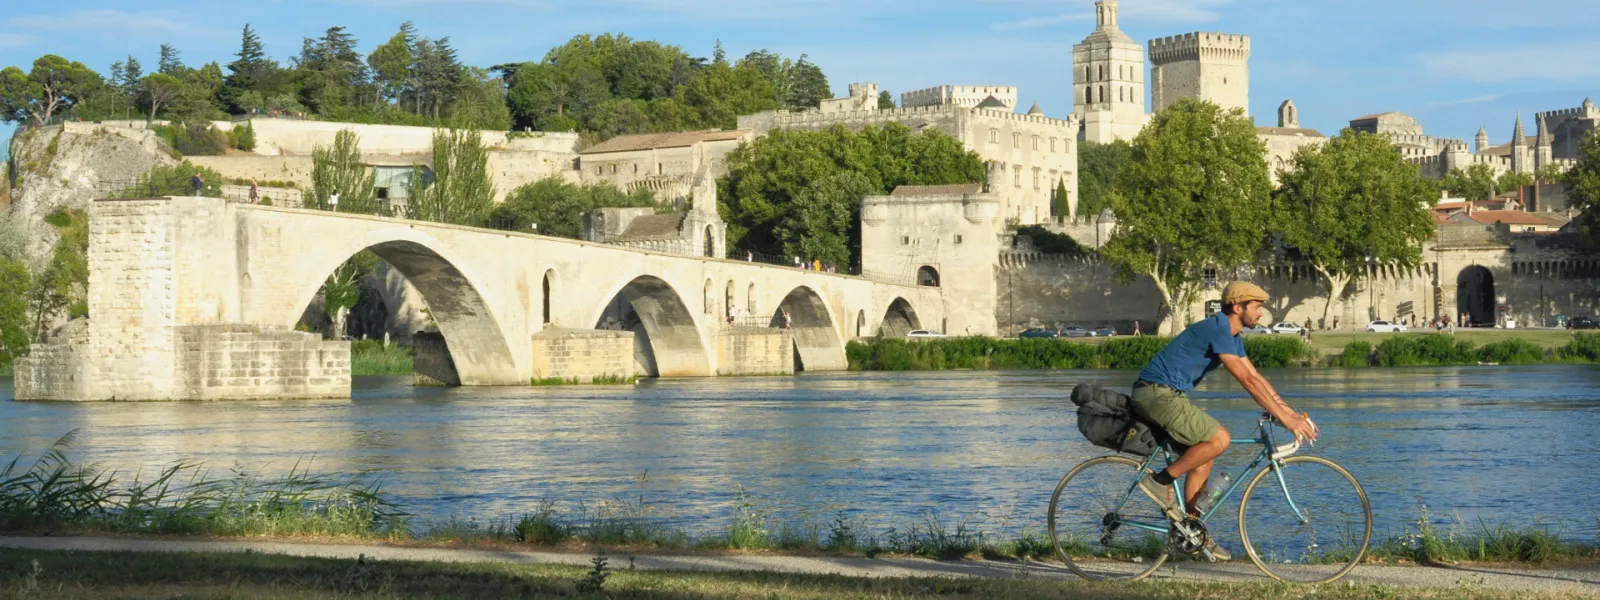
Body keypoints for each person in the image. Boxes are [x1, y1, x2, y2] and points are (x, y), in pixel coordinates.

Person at [1131, 281, 1319, 561]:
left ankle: (1191, 535)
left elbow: (1257, 378)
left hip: (1168, 395)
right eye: (1256, 307)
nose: (1260, 314)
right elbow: (1245, 381)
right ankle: (1159, 481)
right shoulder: (1218, 328)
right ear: (1237, 306)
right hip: (1156, 394)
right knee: (1220, 438)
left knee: (1202, 458)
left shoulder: (1233, 336)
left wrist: (1290, 414)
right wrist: (1285, 419)